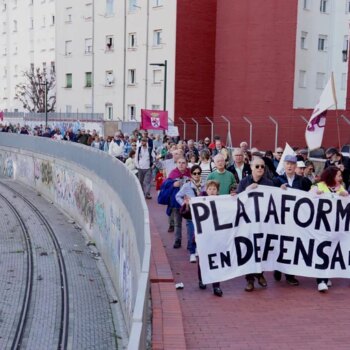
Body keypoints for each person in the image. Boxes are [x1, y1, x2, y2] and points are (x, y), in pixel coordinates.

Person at [236, 156, 274, 292]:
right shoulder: (244, 182)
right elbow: (238, 200)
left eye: (262, 166)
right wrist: (248, 191)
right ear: (251, 167)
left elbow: (275, 201)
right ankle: (250, 280)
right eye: (257, 166)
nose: (260, 169)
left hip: (263, 223)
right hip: (247, 222)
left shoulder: (269, 184)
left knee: (261, 249)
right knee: (249, 250)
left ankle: (260, 274)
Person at [273, 155, 311, 286]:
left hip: (297, 220)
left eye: (292, 164)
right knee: (280, 245)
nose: (289, 166)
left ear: (296, 166)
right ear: (283, 165)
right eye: (287, 164)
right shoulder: (277, 180)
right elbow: (269, 196)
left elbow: (311, 195)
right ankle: (278, 268)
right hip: (281, 219)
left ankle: (290, 275)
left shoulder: (303, 181)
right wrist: (278, 190)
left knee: (293, 245)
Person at [310, 166, 348, 292]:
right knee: (322, 251)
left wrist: (345, 195)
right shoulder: (318, 186)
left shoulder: (340, 188)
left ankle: (327, 275)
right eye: (338, 176)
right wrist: (316, 195)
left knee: (332, 251)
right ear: (331, 176)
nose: (341, 178)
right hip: (321, 226)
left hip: (335, 228)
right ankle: (321, 280)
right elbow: (308, 198)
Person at [196, 180, 223, 297]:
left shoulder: (222, 201)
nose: (212, 191)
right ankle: (202, 278)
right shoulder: (200, 201)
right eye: (210, 189)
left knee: (216, 259)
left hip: (217, 236)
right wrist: (187, 205)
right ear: (206, 190)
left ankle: (216, 286)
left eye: (214, 189)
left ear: (217, 191)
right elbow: (187, 214)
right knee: (203, 258)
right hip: (203, 236)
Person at [176, 165, 205, 263]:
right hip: (191, 214)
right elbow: (178, 196)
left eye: (198, 173)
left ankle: (198, 249)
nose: (197, 175)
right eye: (194, 173)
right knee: (191, 233)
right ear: (191, 174)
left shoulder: (204, 185)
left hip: (202, 214)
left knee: (200, 233)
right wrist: (184, 203)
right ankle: (192, 253)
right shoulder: (187, 185)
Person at [166, 157, 191, 248]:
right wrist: (173, 184)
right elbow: (166, 185)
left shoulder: (190, 173)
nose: (181, 164)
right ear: (176, 164)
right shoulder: (173, 173)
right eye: (179, 162)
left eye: (183, 162)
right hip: (176, 202)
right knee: (177, 223)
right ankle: (177, 240)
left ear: (186, 164)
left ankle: (190, 242)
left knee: (189, 223)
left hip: (188, 202)